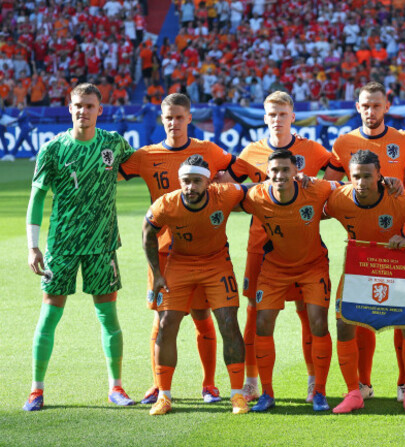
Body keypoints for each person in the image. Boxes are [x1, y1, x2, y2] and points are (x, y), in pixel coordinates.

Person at [119, 93, 236, 405]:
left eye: (179, 117)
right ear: (161, 118)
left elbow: (236, 170)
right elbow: (111, 172)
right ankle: (158, 386)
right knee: (161, 320)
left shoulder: (207, 150)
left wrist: (226, 178)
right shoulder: (145, 155)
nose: (173, 123)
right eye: (168, 117)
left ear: (189, 118)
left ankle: (209, 385)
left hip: (198, 248)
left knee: (202, 316)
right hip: (162, 252)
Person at [23, 83, 135, 411]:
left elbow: (145, 167)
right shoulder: (54, 149)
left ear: (100, 110)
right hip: (62, 245)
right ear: (69, 108)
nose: (83, 111)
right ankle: (36, 390)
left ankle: (116, 387)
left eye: (89, 106)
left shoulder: (114, 143)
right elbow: (37, 197)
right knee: (49, 316)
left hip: (102, 244)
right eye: (77, 106)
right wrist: (33, 247)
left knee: (108, 316)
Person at [219, 91, 332, 402]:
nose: (277, 119)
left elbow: (334, 179)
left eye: (283, 114)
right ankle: (253, 380)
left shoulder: (311, 150)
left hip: (302, 245)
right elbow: (227, 185)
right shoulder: (251, 152)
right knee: (256, 314)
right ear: (264, 117)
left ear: (292, 116)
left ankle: (313, 381)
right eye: (272, 114)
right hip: (261, 247)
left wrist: (312, 191)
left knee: (307, 314)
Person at [323, 81, 405, 402]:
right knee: (359, 317)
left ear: (387, 106)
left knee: (401, 319)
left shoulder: (403, 140)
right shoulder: (344, 143)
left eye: (376, 106)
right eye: (365, 106)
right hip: (362, 246)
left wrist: (400, 189)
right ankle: (362, 385)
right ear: (357, 107)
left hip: (397, 242)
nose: (370, 111)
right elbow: (330, 186)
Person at [142, 155, 248, 415]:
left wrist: (293, 181)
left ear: (208, 181)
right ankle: (164, 396)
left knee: (228, 322)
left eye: (196, 181)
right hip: (180, 264)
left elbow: (255, 189)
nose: (190, 187)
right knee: (166, 325)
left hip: (217, 264)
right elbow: (147, 231)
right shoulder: (166, 203)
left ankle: (237, 395)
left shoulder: (224, 194)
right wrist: (157, 273)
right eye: (186, 181)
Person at [240, 149, 341, 412]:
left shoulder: (315, 189)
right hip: (274, 269)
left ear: (296, 171)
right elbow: (228, 193)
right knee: (262, 324)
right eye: (274, 170)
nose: (280, 175)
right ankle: (267, 393)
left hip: (313, 266)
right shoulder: (257, 195)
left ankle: (319, 391)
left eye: (285, 170)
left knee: (318, 323)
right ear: (267, 173)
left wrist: (391, 183)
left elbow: (347, 187)